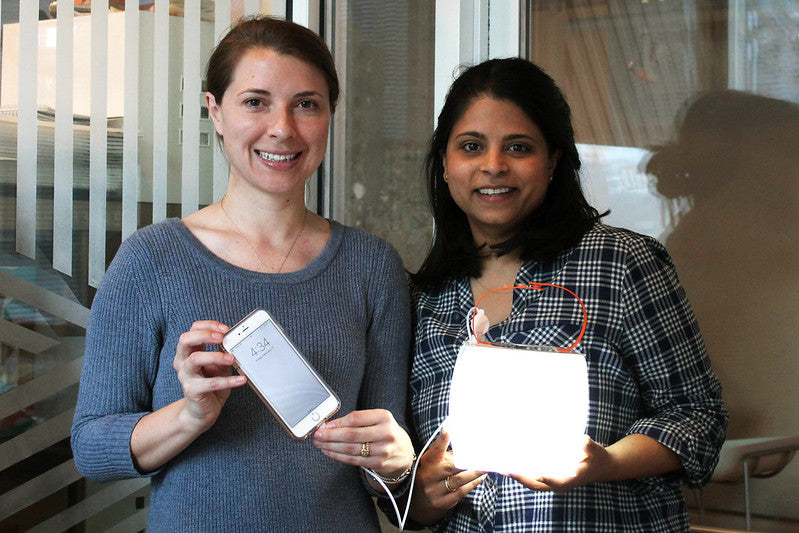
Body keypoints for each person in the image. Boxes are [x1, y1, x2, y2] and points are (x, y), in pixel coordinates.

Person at [71, 16, 414, 532]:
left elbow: (388, 473)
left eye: (306, 104)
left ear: (330, 114)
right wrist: (189, 416)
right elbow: (92, 449)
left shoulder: (372, 266)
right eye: (255, 102)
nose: (283, 127)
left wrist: (395, 457)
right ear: (215, 111)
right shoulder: (152, 259)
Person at [406, 57, 728, 532]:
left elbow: (699, 419)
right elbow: (410, 496)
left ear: (553, 161)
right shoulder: (422, 299)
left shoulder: (622, 263)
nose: (493, 166)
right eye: (471, 146)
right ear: (447, 165)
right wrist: (426, 496)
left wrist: (608, 462)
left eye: (518, 147)